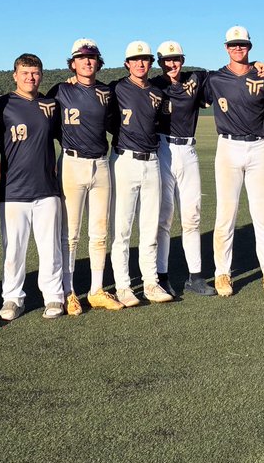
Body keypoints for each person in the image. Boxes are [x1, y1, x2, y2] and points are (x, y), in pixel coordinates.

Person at [204, 26, 264, 298]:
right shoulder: (214, 78)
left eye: (243, 45)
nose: (239, 48)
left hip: (258, 146)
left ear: (250, 46)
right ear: (226, 47)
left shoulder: (263, 76)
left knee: (262, 215)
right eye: (234, 45)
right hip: (227, 146)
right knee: (226, 214)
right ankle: (222, 273)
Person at [0, 54, 65, 320]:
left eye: (35, 73)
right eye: (24, 73)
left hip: (47, 189)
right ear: (14, 75)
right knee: (13, 249)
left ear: (41, 75)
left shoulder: (50, 104)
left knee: (50, 247)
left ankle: (54, 296)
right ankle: (12, 297)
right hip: (13, 191)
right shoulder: (2, 105)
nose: (30, 78)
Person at [47, 39, 116, 314]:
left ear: (98, 62)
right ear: (72, 63)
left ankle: (97, 289)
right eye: (82, 57)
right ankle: (68, 290)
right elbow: (47, 122)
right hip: (72, 162)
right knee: (70, 234)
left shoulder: (107, 92)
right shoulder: (60, 90)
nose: (87, 62)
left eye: (92, 57)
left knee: (100, 232)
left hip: (100, 164)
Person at [106, 41, 173, 306]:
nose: (140, 63)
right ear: (127, 63)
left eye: (145, 59)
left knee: (149, 227)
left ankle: (150, 282)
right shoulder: (115, 88)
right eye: (135, 59)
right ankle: (123, 286)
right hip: (124, 159)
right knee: (122, 229)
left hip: (152, 161)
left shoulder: (157, 92)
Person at [151, 41, 213, 296]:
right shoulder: (153, 84)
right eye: (166, 59)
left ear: (183, 59)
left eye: (176, 58)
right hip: (162, 149)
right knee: (164, 217)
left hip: (187, 150)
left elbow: (226, 75)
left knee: (192, 216)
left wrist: (257, 66)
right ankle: (162, 275)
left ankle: (195, 276)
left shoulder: (196, 79)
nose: (172, 64)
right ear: (160, 62)